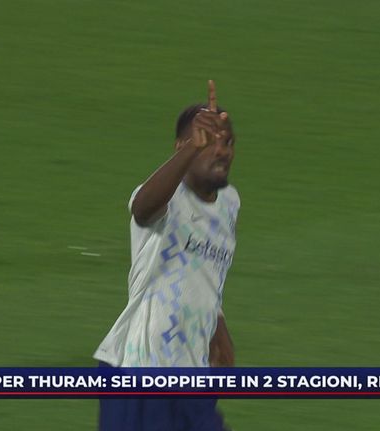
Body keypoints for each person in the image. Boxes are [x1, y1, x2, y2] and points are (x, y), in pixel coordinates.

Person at [94, 80, 239, 431]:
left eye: (228, 142)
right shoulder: (166, 199)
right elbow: (142, 210)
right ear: (182, 147)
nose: (221, 151)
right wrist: (191, 150)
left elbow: (204, 269)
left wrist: (218, 328)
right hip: (139, 370)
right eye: (209, 142)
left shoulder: (230, 203)